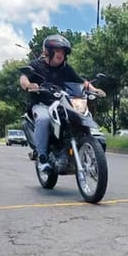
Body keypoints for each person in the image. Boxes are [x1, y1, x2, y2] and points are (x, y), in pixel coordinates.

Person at [19, 34, 106, 172]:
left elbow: (82, 82)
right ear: (48, 51)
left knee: (79, 117)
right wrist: (29, 85)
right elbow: (24, 78)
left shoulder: (66, 69)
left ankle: (77, 148)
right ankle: (42, 158)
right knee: (43, 119)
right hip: (41, 104)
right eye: (57, 50)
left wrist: (95, 90)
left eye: (63, 51)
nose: (61, 54)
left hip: (63, 103)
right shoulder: (36, 65)